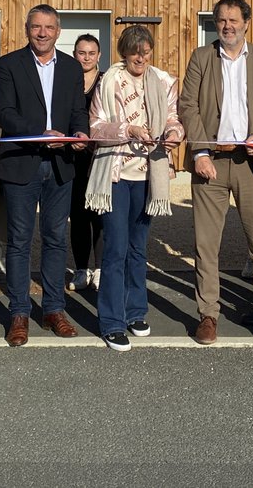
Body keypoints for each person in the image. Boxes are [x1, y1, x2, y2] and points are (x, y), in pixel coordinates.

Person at [178, 0, 253, 348]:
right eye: (221, 21)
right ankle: (208, 314)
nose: (227, 26)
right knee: (206, 245)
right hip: (210, 162)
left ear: (246, 23)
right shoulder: (201, 57)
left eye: (233, 20)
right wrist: (199, 151)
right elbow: (188, 105)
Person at [0, 4, 90, 347]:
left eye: (49, 27)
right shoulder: (8, 65)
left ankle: (53, 309)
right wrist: (40, 132)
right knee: (19, 241)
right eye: (36, 27)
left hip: (61, 163)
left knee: (55, 238)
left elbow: (78, 111)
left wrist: (79, 134)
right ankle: (19, 313)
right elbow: (4, 113)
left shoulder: (71, 68)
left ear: (58, 31)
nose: (42, 33)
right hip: (22, 162)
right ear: (27, 29)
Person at [86, 25, 183, 351]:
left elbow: (173, 118)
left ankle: (135, 311)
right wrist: (128, 130)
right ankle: (111, 322)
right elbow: (95, 128)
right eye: (134, 53)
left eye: (145, 52)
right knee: (115, 248)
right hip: (115, 176)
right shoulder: (108, 81)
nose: (140, 58)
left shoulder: (163, 81)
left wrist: (174, 133)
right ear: (124, 53)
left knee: (138, 248)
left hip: (148, 176)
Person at [68, 34, 105, 291]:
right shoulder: (67, 79)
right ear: (75, 54)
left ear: (99, 55)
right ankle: (81, 269)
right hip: (73, 157)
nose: (86, 57)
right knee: (78, 215)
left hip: (99, 156)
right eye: (82, 53)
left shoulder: (106, 81)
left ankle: (100, 268)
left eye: (91, 53)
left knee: (100, 213)